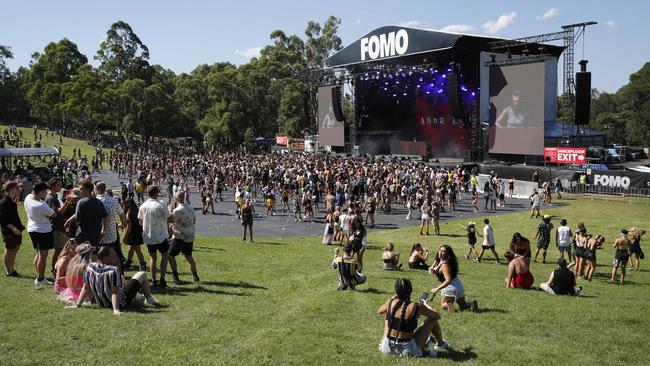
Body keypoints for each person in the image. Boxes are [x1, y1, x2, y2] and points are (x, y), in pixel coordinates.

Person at [69, 246, 161, 315]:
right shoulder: (113, 270)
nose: (115, 257)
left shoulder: (90, 267)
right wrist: (116, 310)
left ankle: (139, 296)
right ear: (105, 258)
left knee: (127, 283)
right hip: (120, 303)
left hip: (101, 303)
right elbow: (115, 292)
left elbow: (86, 287)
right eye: (112, 255)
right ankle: (148, 299)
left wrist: (77, 305)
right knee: (142, 274)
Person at [378, 278, 449, 358]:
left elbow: (379, 311)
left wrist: (394, 296)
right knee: (432, 319)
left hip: (387, 348)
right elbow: (437, 316)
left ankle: (389, 342)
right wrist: (426, 305)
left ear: (397, 291)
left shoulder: (390, 302)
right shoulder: (418, 306)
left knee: (389, 312)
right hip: (408, 351)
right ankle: (441, 344)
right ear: (411, 290)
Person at [24, 181, 58, 289]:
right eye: (45, 191)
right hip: (42, 231)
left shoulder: (28, 197)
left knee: (39, 254)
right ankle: (41, 278)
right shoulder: (39, 206)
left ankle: (39, 275)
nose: (46, 193)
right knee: (43, 256)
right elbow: (54, 214)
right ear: (42, 191)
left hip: (33, 228)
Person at [138, 185, 172, 288]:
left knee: (153, 257)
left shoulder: (143, 206)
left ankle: (153, 280)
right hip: (161, 234)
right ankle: (162, 279)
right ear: (156, 193)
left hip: (149, 235)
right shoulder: (160, 205)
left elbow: (140, 222)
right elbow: (170, 219)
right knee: (165, 255)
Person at [430, 245, 478, 313]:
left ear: (447, 253)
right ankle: (471, 304)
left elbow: (448, 280)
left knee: (443, 306)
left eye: (443, 251)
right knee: (462, 305)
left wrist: (436, 289)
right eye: (440, 250)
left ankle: (449, 304)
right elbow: (433, 268)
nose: (440, 252)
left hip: (450, 287)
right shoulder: (443, 260)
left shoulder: (445, 265)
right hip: (458, 285)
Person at [168, 191, 200, 284]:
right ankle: (195, 276)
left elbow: (170, 220)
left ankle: (175, 276)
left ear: (176, 198)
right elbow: (194, 220)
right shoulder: (190, 207)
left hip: (180, 235)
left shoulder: (177, 210)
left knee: (170, 256)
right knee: (188, 255)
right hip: (190, 234)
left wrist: (169, 209)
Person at [66, 179, 108, 247]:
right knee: (93, 253)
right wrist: (104, 230)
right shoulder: (99, 202)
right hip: (96, 234)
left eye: (81, 189)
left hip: (83, 234)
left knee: (81, 254)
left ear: (87, 189)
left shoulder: (81, 202)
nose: (80, 191)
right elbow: (105, 217)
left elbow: (78, 219)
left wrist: (69, 223)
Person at [95, 182, 127, 271]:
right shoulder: (113, 200)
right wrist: (123, 223)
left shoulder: (95, 200)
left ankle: (101, 272)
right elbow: (121, 213)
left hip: (99, 233)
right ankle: (118, 273)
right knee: (115, 255)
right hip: (112, 233)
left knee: (100, 255)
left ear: (96, 189)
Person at [45, 177, 72, 278]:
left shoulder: (54, 196)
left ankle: (57, 267)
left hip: (59, 226)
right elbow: (58, 212)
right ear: (52, 186)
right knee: (58, 249)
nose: (61, 187)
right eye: (58, 185)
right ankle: (54, 268)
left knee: (61, 249)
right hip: (56, 227)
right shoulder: (51, 198)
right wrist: (67, 202)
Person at [0, 181, 25, 277]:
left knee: (16, 247)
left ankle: (11, 268)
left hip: (17, 229)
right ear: (11, 189)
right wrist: (14, 229)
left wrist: (20, 226)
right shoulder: (3, 202)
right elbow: (3, 220)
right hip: (9, 231)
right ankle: (8, 270)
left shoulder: (11, 201)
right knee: (9, 248)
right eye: (16, 188)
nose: (18, 190)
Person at [122, 197, 146, 271]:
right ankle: (128, 262)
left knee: (137, 249)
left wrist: (125, 236)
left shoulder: (129, 213)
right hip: (138, 231)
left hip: (133, 233)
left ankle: (142, 264)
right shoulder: (137, 210)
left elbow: (129, 226)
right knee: (131, 249)